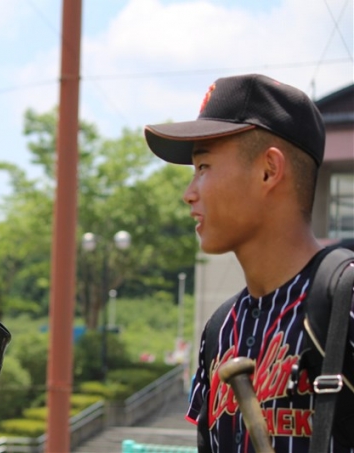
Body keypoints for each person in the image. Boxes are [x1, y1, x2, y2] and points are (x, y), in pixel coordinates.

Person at [143, 74, 354, 452]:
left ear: (268, 170)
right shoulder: (219, 329)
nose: (189, 193)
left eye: (203, 167)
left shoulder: (344, 298)